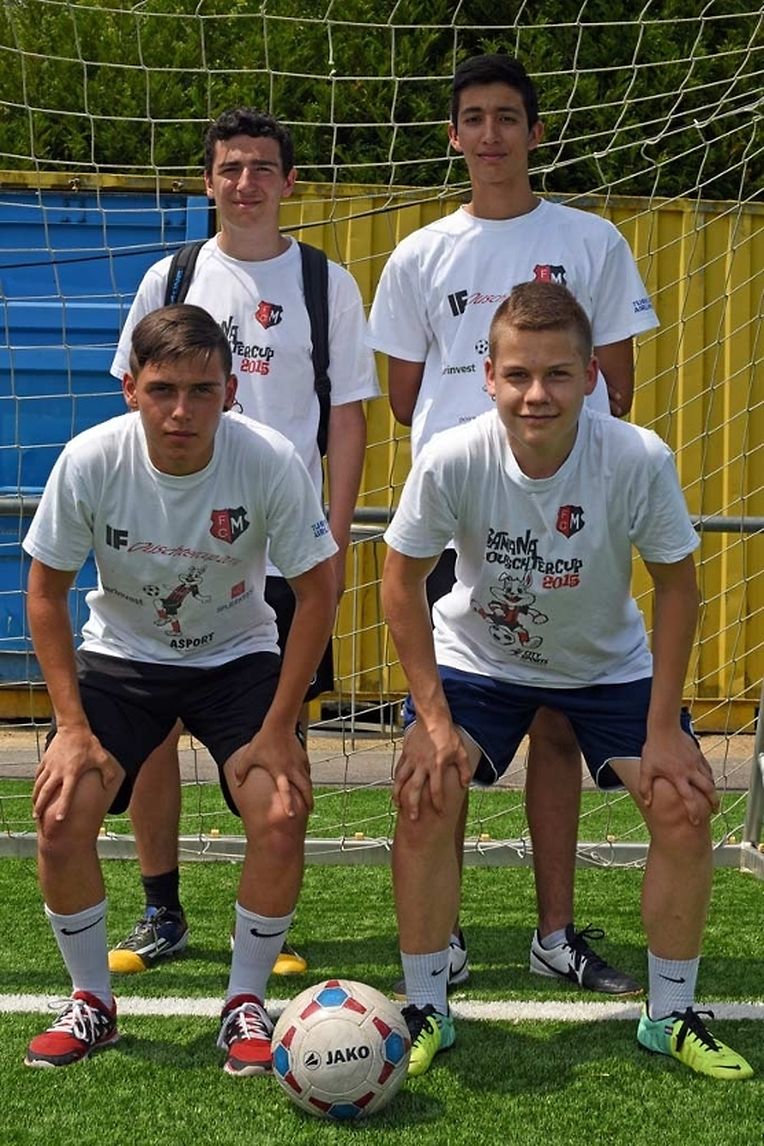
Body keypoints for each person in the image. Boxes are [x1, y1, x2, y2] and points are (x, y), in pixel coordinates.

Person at [381, 280, 753, 1081]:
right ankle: (425, 1007)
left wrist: (664, 730)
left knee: (684, 805)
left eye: (556, 374)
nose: (536, 394)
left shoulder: (636, 457)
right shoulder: (452, 457)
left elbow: (679, 588)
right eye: (518, 374)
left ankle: (670, 1015)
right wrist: (433, 721)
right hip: (482, 661)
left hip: (604, 667)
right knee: (425, 789)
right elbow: (398, 582)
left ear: (591, 376)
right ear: (489, 376)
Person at [368, 52, 658, 997]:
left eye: (506, 117)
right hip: (462, 515)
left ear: (535, 133)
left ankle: (555, 934)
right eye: (473, 118)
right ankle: (441, 939)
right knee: (445, 737)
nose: (490, 134)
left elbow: (618, 381)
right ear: (453, 136)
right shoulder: (419, 254)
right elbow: (404, 400)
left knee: (562, 725)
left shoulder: (591, 239)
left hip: (567, 510)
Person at [23, 304, 338, 1072]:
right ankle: (92, 1002)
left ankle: (244, 1003)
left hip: (236, 657)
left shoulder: (268, 460)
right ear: (131, 388)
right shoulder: (91, 459)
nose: (181, 411)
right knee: (61, 811)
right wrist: (71, 728)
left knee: (282, 809)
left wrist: (280, 726)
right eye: (163, 389)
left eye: (202, 391)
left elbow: (318, 591)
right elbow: (45, 593)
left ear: (231, 391)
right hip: (124, 659)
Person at [107, 107, 378, 976]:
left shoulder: (325, 282)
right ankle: (162, 908)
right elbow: (133, 392)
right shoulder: (173, 275)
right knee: (153, 732)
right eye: (230, 167)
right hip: (171, 540)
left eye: (263, 167)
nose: (246, 182)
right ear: (209, 180)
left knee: (275, 735)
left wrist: (333, 535)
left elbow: (346, 416)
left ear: (289, 181)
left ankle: (268, 921)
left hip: (278, 549)